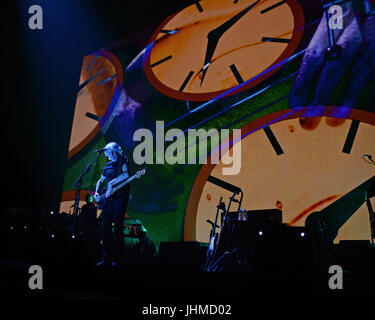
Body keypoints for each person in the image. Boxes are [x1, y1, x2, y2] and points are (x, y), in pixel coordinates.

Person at [94, 142, 130, 266]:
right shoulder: (108, 165)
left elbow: (126, 174)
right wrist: (96, 192)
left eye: (109, 151)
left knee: (118, 226)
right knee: (105, 227)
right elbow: (100, 180)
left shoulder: (123, 160)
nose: (108, 154)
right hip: (108, 199)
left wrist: (111, 184)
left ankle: (119, 259)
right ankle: (106, 257)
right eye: (107, 152)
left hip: (120, 196)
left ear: (114, 151)